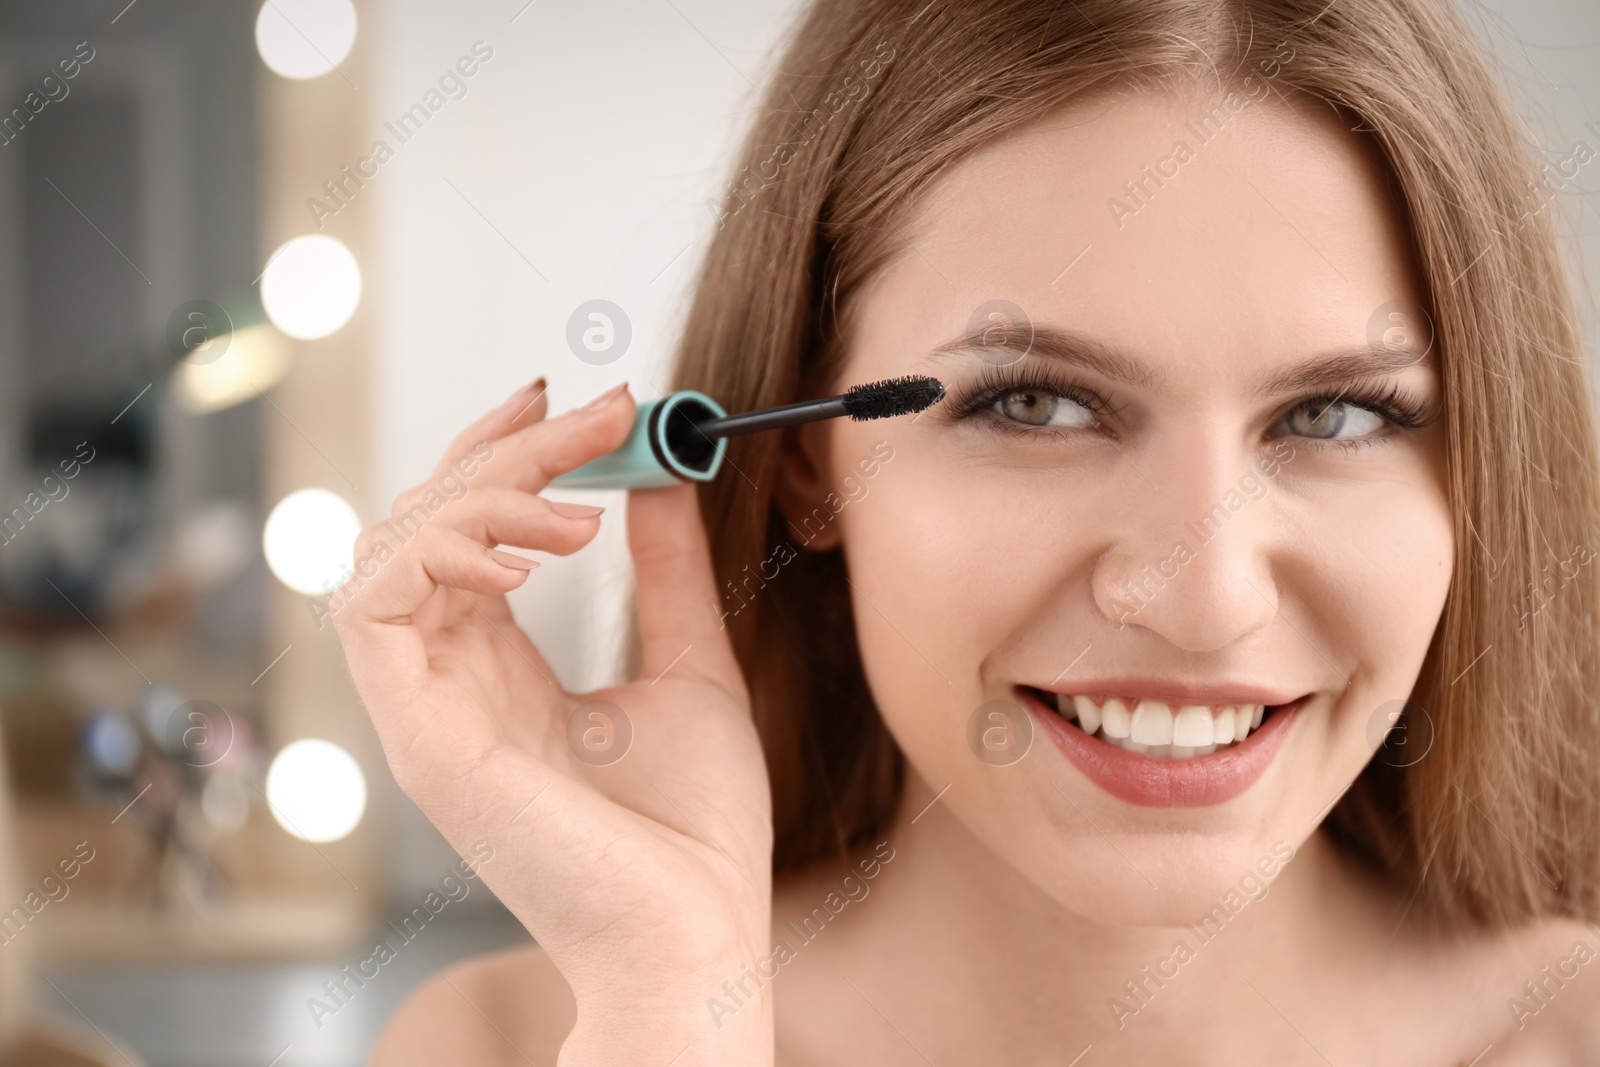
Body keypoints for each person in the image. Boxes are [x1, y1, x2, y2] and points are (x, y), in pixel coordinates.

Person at [333, 0, 1600, 1061]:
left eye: (1335, 413)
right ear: (797, 465)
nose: (1202, 595)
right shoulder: (515, 1039)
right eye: (1035, 405)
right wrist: (673, 1006)